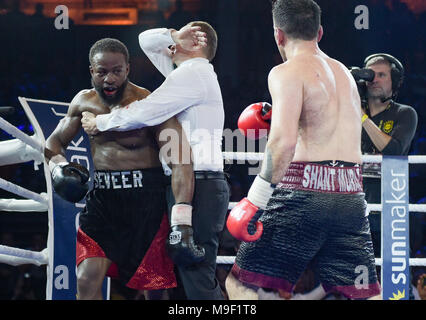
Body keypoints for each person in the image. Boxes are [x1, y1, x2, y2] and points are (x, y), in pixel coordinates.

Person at [225, 0, 381, 300]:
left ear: (278, 35)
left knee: (242, 285)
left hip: (303, 190)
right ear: (319, 32)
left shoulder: (285, 72)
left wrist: (255, 200)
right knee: (364, 294)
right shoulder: (345, 74)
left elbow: (283, 143)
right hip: (350, 193)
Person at [81, 21, 230, 300]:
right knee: (184, 274)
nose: (170, 45)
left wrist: (100, 122)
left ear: (197, 44)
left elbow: (145, 111)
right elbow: (146, 39)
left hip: (198, 182)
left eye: (184, 35)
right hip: (187, 182)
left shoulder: (193, 74)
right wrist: (175, 35)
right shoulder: (183, 72)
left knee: (196, 273)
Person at [44, 38, 194, 300]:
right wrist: (60, 167)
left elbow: (180, 159)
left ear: (128, 70)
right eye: (102, 72)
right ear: (92, 71)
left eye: (117, 71)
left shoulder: (149, 103)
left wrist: (181, 220)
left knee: (154, 290)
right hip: (103, 202)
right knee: (86, 279)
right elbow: (53, 144)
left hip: (146, 203)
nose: (109, 79)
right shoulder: (83, 103)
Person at [358, 54, 418, 256]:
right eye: (370, 74)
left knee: (393, 280)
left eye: (381, 75)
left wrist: (362, 117)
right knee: (350, 277)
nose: (374, 79)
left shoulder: (405, 113)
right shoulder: (350, 114)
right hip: (355, 207)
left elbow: (394, 150)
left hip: (390, 210)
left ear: (394, 81)